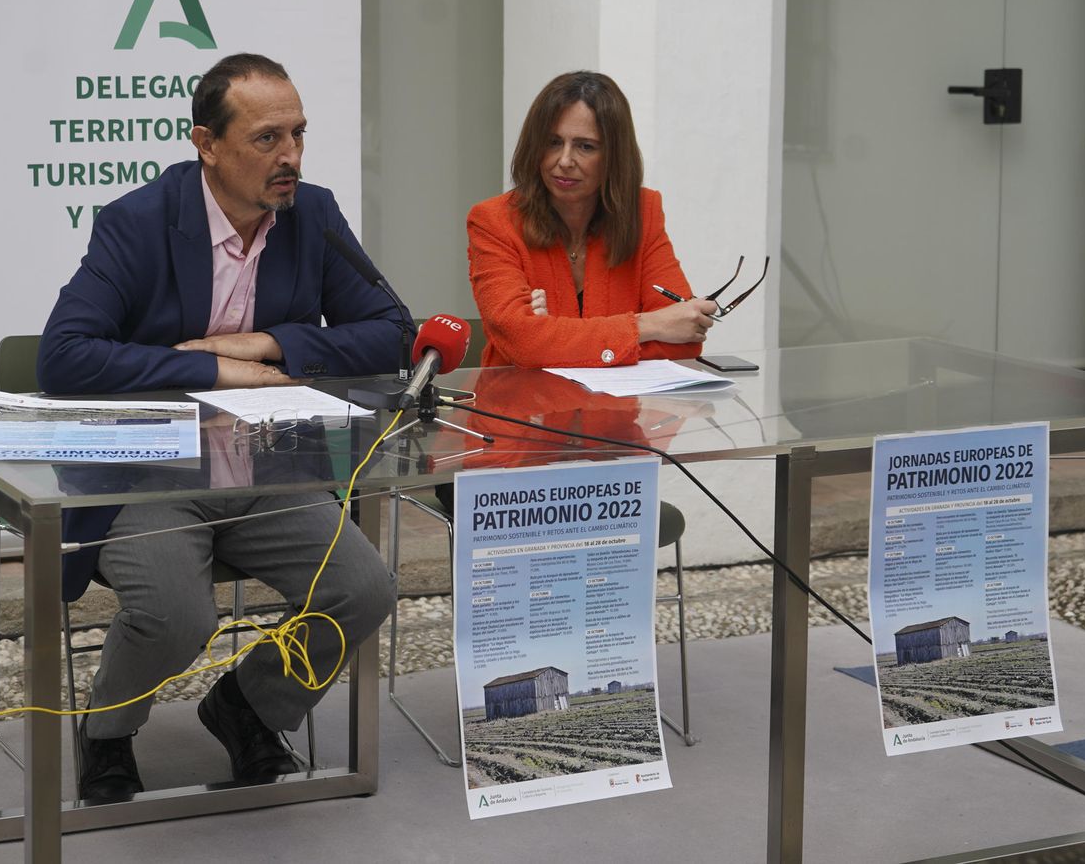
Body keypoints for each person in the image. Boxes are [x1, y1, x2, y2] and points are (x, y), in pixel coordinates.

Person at [36, 53, 398, 799]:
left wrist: (267, 344)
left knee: (364, 588)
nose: (290, 156)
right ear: (206, 143)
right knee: (177, 616)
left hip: (266, 467)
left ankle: (247, 704)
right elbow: (64, 358)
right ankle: (106, 729)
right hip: (151, 473)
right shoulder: (139, 222)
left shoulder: (313, 214)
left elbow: (392, 330)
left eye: (298, 134)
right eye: (267, 138)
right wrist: (211, 370)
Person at [467, 70, 717, 368]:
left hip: (617, 412)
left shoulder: (644, 212)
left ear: (614, 156)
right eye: (553, 142)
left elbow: (684, 340)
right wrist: (647, 326)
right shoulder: (493, 221)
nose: (564, 161)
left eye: (585, 146)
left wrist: (555, 341)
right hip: (522, 410)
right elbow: (524, 343)